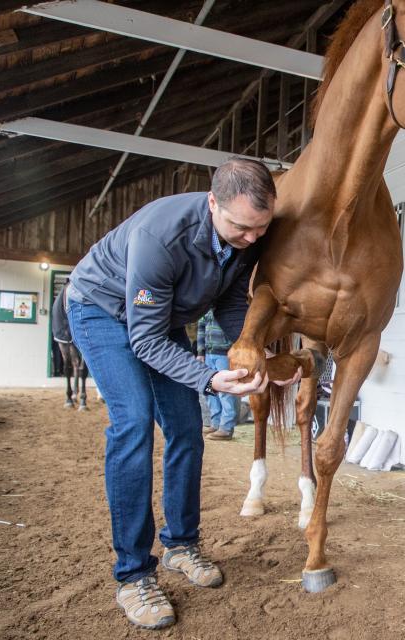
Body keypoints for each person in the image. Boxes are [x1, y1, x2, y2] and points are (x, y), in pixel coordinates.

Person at [66, 158, 302, 631]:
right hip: (101, 311)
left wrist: (258, 355)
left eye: (261, 228)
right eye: (241, 227)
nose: (253, 239)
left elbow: (232, 302)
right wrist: (209, 378)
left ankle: (181, 544)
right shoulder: (161, 237)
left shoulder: (247, 235)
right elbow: (144, 341)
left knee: (187, 430)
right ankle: (133, 574)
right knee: (133, 424)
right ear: (212, 203)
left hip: (163, 322)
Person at [197, 310, 240, 440]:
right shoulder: (206, 308)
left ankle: (226, 428)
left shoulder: (228, 306)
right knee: (210, 388)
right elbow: (201, 329)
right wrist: (200, 352)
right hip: (209, 353)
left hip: (225, 354)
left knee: (225, 391)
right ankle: (215, 424)